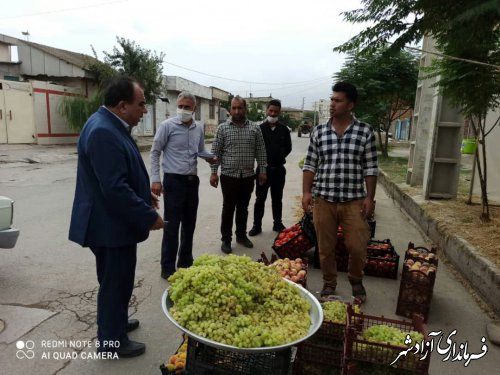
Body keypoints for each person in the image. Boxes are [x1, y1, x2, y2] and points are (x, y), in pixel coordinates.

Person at [69, 76, 164, 358]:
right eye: (141, 104)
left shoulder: (110, 124)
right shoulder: (103, 131)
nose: (145, 110)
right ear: (122, 106)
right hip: (109, 226)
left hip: (113, 222)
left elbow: (117, 175)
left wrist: (143, 194)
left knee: (117, 280)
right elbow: (114, 188)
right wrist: (148, 216)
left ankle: (116, 323)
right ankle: (111, 340)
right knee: (115, 282)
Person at [301, 82, 378, 303]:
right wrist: (306, 192)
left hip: (353, 200)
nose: (332, 104)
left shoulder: (364, 132)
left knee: (357, 246)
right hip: (323, 199)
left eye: (338, 100)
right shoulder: (319, 131)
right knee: (325, 248)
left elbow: (371, 168)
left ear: (350, 105)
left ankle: (356, 279)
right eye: (332, 99)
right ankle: (329, 283)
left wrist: (369, 198)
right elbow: (310, 165)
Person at [150, 91, 216, 280]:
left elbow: (200, 149)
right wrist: (156, 179)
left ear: (194, 109)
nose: (183, 110)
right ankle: (167, 266)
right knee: (171, 226)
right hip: (173, 182)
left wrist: (209, 158)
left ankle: (186, 261)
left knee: (189, 224)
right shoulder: (167, 126)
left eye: (187, 107)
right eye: (180, 106)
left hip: (191, 182)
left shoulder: (198, 128)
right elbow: (155, 152)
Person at [210, 96, 267, 254]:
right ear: (230, 110)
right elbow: (216, 152)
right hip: (229, 176)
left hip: (248, 176)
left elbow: (261, 152)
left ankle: (241, 236)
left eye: (239, 108)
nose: (236, 111)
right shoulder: (223, 128)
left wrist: (262, 171)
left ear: (245, 109)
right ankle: (226, 239)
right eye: (233, 108)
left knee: (243, 208)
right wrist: (214, 172)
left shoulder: (255, 128)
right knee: (228, 208)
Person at [248, 99, 292, 236]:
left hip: (279, 170)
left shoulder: (284, 130)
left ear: (280, 112)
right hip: (263, 170)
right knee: (260, 199)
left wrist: (278, 156)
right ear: (266, 110)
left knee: (277, 198)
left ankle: (277, 223)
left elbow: (288, 148)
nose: (273, 114)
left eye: (276, 112)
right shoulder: (259, 129)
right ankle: (257, 226)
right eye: (271, 111)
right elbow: (254, 148)